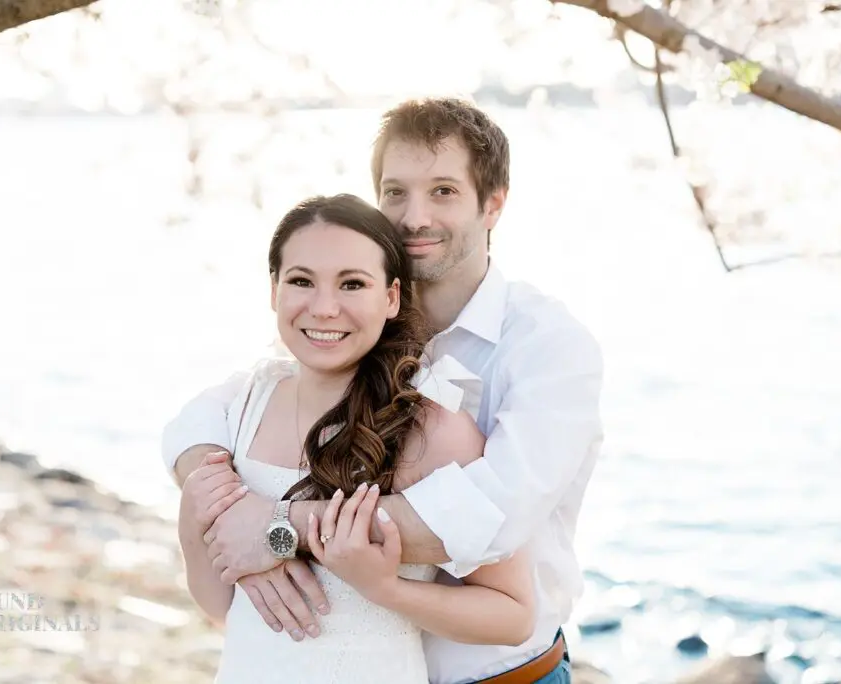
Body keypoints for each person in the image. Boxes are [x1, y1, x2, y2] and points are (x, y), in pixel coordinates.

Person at [164, 98, 604, 684]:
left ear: (493, 204)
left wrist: (276, 529)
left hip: (497, 674)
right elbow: (203, 420)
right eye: (396, 192)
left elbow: (491, 516)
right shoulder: (353, 323)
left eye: (443, 191)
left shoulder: (548, 347)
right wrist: (223, 505)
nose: (414, 217)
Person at [179, 193, 537, 683]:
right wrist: (199, 523)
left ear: (391, 298)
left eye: (352, 284)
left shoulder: (431, 431)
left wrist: (387, 590)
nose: (325, 308)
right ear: (274, 290)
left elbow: (514, 616)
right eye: (301, 281)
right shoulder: (243, 407)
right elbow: (220, 606)